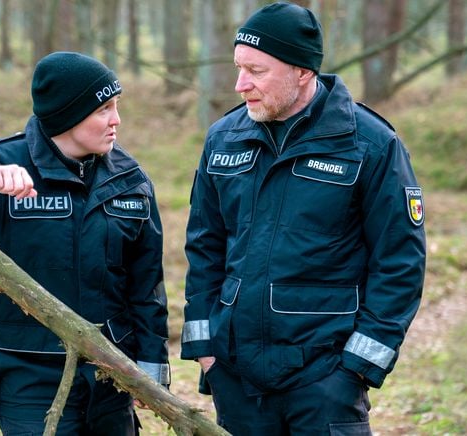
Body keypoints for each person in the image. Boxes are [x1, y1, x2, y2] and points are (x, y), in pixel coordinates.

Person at [180, 2, 426, 435]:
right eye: (238, 68)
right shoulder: (223, 138)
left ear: (302, 72)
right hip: (236, 378)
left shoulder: (370, 144)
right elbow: (204, 248)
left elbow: (399, 261)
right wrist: (207, 352)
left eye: (256, 71)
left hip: (325, 379)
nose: (241, 85)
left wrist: (357, 369)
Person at [0, 51, 170, 435]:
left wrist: (151, 368)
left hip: (111, 371)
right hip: (28, 375)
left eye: (117, 106)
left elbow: (146, 283)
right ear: (68, 115)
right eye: (104, 108)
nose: (116, 120)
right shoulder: (3, 162)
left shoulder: (130, 178)